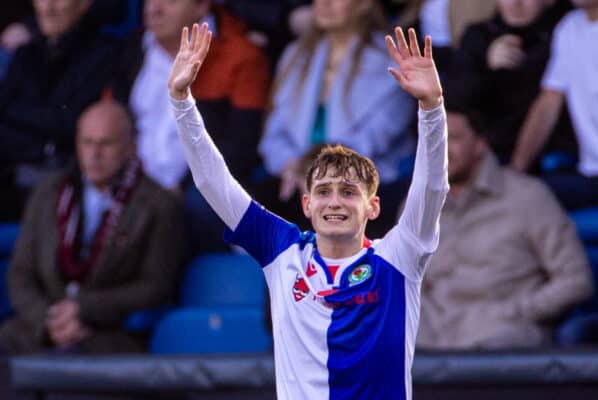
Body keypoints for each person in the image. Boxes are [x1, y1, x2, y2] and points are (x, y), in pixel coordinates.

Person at [169, 22, 447, 399]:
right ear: (307, 203)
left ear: (373, 206)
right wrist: (181, 100)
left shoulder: (399, 257)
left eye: (349, 192)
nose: (334, 201)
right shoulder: (282, 252)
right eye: (324, 191)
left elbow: (432, 186)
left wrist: (432, 108)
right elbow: (211, 182)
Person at [0, 100, 184, 354]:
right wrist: (48, 320)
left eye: (106, 143)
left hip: (110, 330)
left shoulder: (159, 205)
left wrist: (84, 309)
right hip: (45, 325)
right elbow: (21, 273)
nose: (94, 154)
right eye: (87, 143)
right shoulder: (48, 194)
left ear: (130, 146)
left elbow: (155, 285)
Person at [416, 106, 592, 350]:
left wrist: (519, 311)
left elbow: (576, 281)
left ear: (480, 144)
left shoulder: (527, 197)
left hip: (502, 338)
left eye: (452, 138)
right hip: (430, 336)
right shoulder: (417, 203)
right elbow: (404, 283)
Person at [112, 0, 270, 254]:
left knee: (191, 208)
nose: (154, 8)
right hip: (134, 184)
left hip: (195, 192)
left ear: (200, 7)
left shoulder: (240, 57)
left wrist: (185, 186)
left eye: (170, 1)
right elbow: (109, 124)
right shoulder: (130, 51)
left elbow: (241, 148)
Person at [257, 0, 417, 238]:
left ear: (365, 5)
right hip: (296, 179)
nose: (325, 3)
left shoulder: (392, 59)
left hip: (368, 183)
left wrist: (318, 171)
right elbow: (273, 134)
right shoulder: (295, 55)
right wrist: (290, 163)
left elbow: (376, 137)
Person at [0, 0, 120, 221]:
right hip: (11, 174)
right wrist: (43, 141)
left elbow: (71, 123)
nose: (48, 7)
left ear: (84, 4)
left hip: (62, 182)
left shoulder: (105, 54)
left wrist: (18, 114)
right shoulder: (26, 54)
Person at [449, 0, 571, 164]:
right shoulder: (478, 35)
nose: (515, 3)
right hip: (482, 153)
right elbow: (454, 101)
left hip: (546, 155)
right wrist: (486, 66)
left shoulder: (564, 35)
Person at [511, 0, 598, 209]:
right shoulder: (569, 28)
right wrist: (516, 170)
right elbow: (547, 105)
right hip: (589, 175)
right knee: (512, 198)